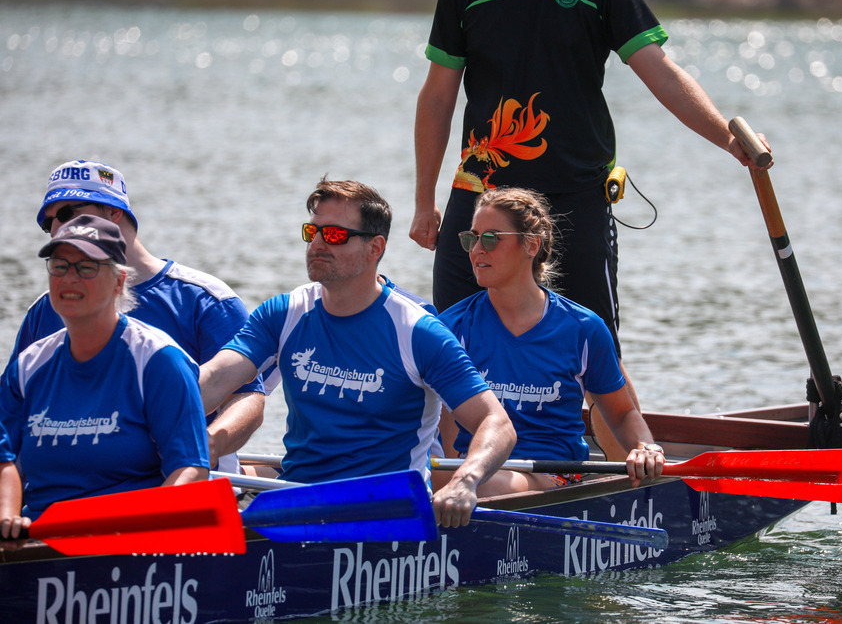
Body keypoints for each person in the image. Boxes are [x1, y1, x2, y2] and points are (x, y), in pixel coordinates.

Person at [410, 0, 772, 459]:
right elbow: (438, 94)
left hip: (572, 199)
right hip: (480, 198)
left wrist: (727, 137)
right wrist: (425, 199)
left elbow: (661, 71)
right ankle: (453, 483)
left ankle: (633, 474)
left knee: (599, 357)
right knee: (452, 355)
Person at [199, 179, 516, 527]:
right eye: (312, 232)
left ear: (375, 248)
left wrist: (465, 481)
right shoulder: (284, 313)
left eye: (335, 235)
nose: (317, 244)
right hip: (299, 501)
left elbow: (496, 423)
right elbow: (216, 377)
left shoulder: (418, 332)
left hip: (386, 513)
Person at [7, 160, 264, 476]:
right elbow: (14, 412)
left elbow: (248, 398)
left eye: (67, 213)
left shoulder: (206, 299)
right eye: (49, 224)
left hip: (185, 476)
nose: (57, 229)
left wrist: (207, 443)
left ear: (114, 212)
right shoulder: (47, 309)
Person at [438, 187, 664, 494]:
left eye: (490, 238)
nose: (476, 250)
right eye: (471, 238)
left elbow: (622, 414)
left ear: (531, 244)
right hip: (475, 469)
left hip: (551, 475)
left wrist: (646, 447)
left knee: (481, 483)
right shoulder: (452, 326)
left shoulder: (583, 329)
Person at [0, 215, 209, 530]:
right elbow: (4, 460)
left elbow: (191, 470)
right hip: (38, 538)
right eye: (59, 266)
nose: (69, 278)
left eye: (86, 267)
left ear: (119, 282)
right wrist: (7, 518)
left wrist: (141, 527)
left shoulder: (158, 361)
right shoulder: (28, 367)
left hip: (128, 537)